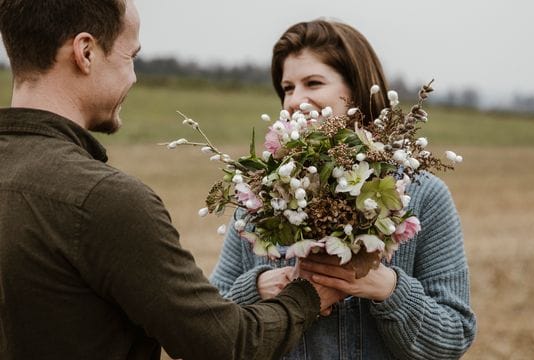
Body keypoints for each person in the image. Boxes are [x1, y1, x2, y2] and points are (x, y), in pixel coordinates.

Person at [0, 1, 343, 359]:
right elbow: (226, 344)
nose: (133, 77)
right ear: (85, 52)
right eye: (130, 56)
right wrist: (309, 294)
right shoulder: (101, 199)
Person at [211, 19, 477, 359]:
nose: (294, 100)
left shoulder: (423, 194)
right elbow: (211, 328)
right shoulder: (261, 197)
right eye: (288, 88)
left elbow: (453, 336)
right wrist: (259, 287)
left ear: (357, 90)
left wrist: (387, 288)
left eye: (313, 83)